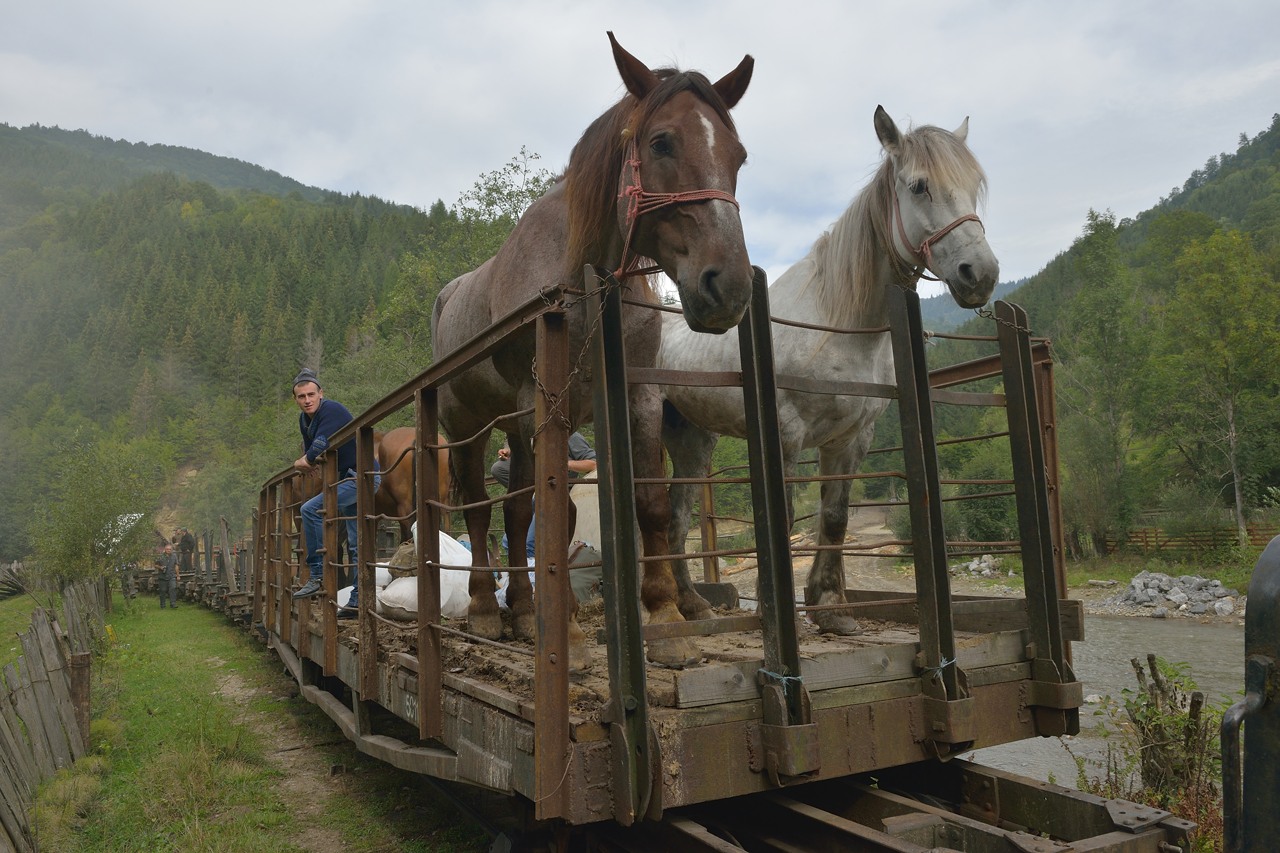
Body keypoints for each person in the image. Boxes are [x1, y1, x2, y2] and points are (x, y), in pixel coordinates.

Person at [290, 369, 378, 615]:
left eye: (311, 394)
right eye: (301, 396)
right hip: (346, 479)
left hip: (363, 476)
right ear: (296, 399)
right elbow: (313, 453)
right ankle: (358, 601)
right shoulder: (305, 420)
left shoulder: (332, 410)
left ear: (321, 394)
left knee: (310, 509)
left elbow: (318, 447)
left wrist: (303, 462)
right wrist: (309, 461)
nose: (307, 400)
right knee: (355, 544)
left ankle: (316, 574)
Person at [490, 432, 596, 561]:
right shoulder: (532, 434)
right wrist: (509, 452)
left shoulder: (569, 435)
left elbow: (593, 463)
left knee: (529, 545)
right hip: (535, 494)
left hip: (556, 495)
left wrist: (561, 464)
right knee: (508, 542)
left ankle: (534, 577)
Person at [156, 544, 178, 609]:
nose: (169, 550)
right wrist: (160, 567)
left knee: (173, 588)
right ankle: (163, 605)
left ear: (172, 550)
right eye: (167, 549)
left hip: (171, 575)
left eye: (170, 549)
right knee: (162, 591)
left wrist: (178, 575)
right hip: (162, 576)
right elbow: (156, 565)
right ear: (165, 550)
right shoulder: (160, 556)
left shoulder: (174, 556)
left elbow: (176, 565)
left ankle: (173, 604)